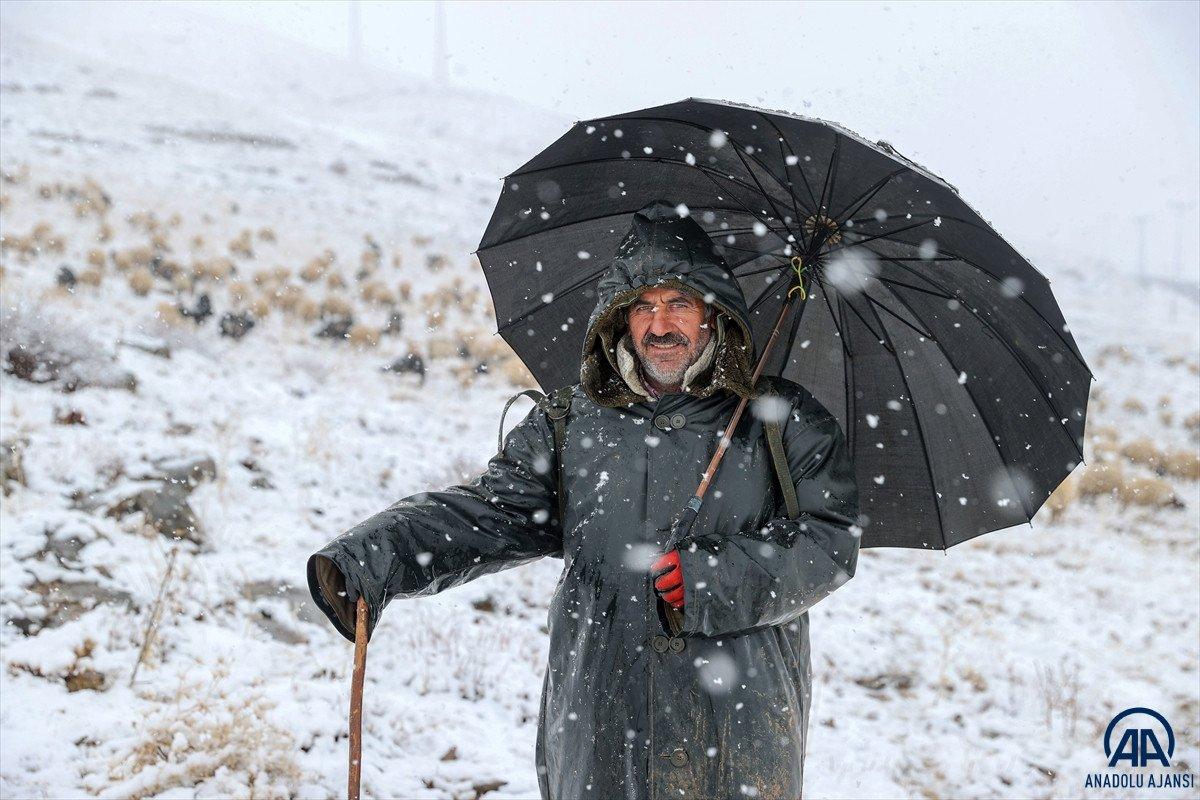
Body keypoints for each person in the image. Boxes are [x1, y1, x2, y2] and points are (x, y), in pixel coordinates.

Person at [307, 199, 862, 800]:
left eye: (679, 303)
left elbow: (830, 541)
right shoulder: (571, 422)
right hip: (602, 715)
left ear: (713, 313)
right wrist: (375, 557)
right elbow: (494, 514)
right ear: (619, 319)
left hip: (737, 724)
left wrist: (713, 577)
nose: (660, 324)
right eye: (643, 306)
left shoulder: (780, 420)